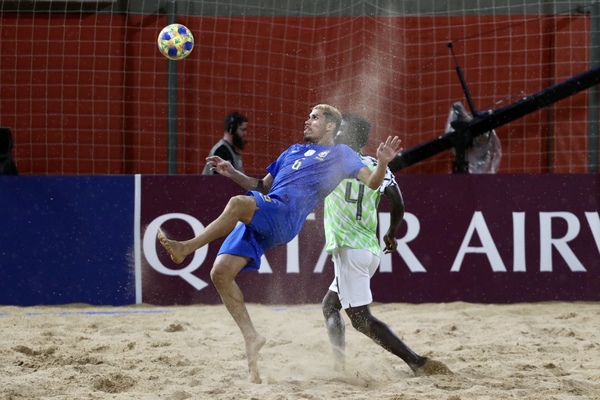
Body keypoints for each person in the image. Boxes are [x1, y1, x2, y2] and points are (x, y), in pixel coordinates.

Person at [157, 104, 402, 383]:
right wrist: (230, 173)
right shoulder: (292, 151)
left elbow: (371, 183)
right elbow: (261, 185)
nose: (307, 121)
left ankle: (186, 248)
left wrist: (382, 163)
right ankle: (252, 336)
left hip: (285, 216)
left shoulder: (341, 155)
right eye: (308, 116)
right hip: (266, 209)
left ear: (331, 126)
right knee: (220, 273)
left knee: (238, 203)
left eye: (315, 117)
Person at [321, 113, 452, 376]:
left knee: (360, 319)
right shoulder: (374, 165)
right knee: (330, 306)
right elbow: (398, 202)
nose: (335, 134)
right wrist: (391, 234)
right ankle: (339, 366)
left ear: (349, 137)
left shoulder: (333, 164)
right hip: (369, 250)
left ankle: (416, 362)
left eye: (341, 130)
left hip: (349, 249)